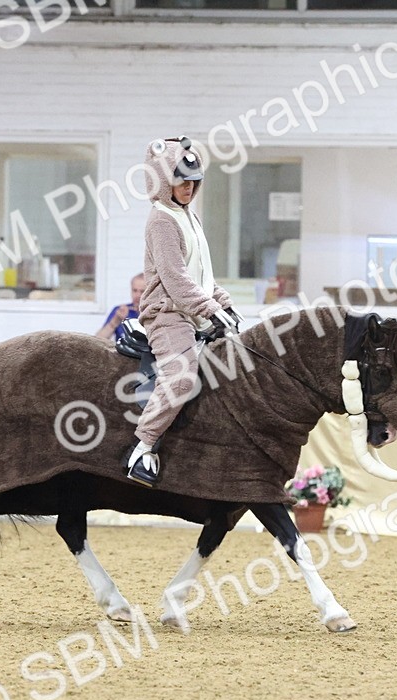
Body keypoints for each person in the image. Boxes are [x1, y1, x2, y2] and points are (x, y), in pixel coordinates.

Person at [125, 136, 239, 487]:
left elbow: (201, 273)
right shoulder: (161, 220)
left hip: (193, 310)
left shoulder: (189, 216)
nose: (188, 188)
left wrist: (224, 302)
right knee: (182, 376)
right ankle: (142, 449)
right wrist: (209, 307)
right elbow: (175, 278)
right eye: (181, 181)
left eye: (193, 181)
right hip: (167, 314)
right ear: (164, 182)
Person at [96, 273, 145, 341]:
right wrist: (115, 321)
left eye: (142, 291)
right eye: (134, 290)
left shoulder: (156, 313)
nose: (137, 295)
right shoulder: (120, 311)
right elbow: (98, 340)